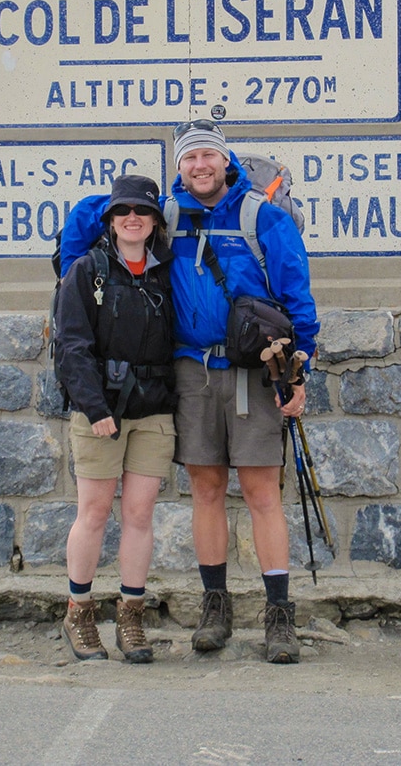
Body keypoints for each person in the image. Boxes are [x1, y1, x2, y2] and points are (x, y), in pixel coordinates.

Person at [168, 119, 319, 664]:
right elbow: (98, 219)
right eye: (190, 158)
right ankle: (216, 605)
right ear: (179, 166)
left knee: (262, 494)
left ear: (224, 160)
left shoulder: (264, 218)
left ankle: (279, 613)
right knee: (205, 491)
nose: (200, 165)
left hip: (258, 373)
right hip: (192, 370)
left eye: (208, 154)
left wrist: (299, 373)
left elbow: (298, 301)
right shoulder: (165, 216)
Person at [54, 173, 177, 663]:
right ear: (109, 219)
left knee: (140, 514)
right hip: (100, 411)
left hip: (153, 410)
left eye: (142, 212)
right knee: (95, 513)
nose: (132, 218)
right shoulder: (86, 271)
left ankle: (131, 616)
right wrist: (95, 407)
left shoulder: (167, 273)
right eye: (123, 211)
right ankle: (79, 611)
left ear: (153, 222)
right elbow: (71, 345)